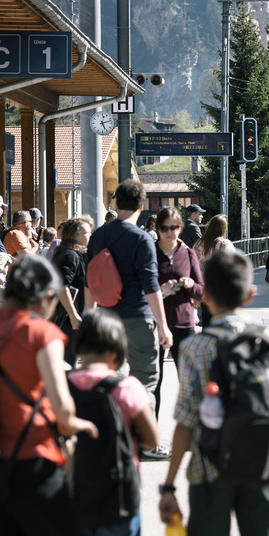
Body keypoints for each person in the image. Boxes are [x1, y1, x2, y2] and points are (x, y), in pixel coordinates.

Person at [159, 250, 269, 536]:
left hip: (209, 470)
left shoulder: (196, 348)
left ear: (203, 295)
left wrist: (169, 485)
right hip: (263, 466)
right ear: (250, 296)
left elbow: (187, 421)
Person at [0, 256, 98, 536]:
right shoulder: (41, 333)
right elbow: (63, 411)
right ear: (44, 297)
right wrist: (84, 425)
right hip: (31, 465)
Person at [68, 309, 158, 536]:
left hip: (73, 496)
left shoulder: (61, 387)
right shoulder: (127, 387)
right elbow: (152, 440)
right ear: (118, 348)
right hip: (119, 496)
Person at [85, 179, 172, 459]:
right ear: (142, 205)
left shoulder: (98, 236)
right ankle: (146, 443)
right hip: (137, 317)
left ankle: (112, 439)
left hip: (106, 318)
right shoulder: (141, 238)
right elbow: (151, 285)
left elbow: (89, 280)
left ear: (116, 202)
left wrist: (89, 316)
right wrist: (163, 325)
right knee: (144, 379)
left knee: (111, 377)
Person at [154, 207, 204, 420]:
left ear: (180, 228)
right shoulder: (150, 252)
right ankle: (150, 439)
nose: (169, 232)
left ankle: (190, 431)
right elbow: (138, 287)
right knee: (153, 382)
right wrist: (161, 291)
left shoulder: (188, 253)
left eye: (174, 227)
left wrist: (190, 285)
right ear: (157, 229)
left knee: (189, 381)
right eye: (164, 228)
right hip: (155, 323)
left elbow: (201, 291)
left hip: (184, 324)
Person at [52, 217, 92, 364]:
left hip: (72, 319)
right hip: (68, 320)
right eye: (87, 232)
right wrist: (73, 315)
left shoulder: (73, 254)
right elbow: (62, 286)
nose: (90, 235)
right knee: (68, 364)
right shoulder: (70, 255)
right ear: (75, 235)